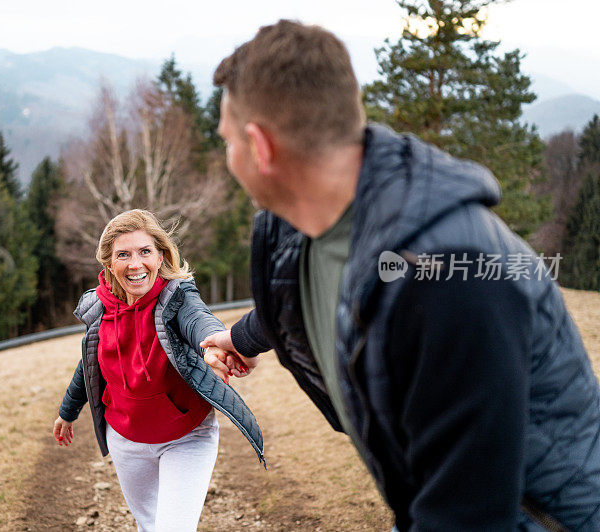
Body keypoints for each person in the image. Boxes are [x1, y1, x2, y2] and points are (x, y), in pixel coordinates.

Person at [200, 19, 600, 531]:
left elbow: (467, 516)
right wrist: (240, 338)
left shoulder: (452, 275)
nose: (227, 155)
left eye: (226, 141)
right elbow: (314, 297)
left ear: (259, 147)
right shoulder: (305, 230)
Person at [53, 209, 265, 532]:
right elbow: (90, 366)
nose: (135, 264)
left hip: (186, 437)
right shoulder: (100, 308)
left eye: (145, 252)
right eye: (123, 254)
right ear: (110, 264)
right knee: (150, 526)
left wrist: (214, 344)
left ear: (160, 255)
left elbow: (198, 320)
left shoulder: (177, 297)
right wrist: (67, 412)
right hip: (126, 441)